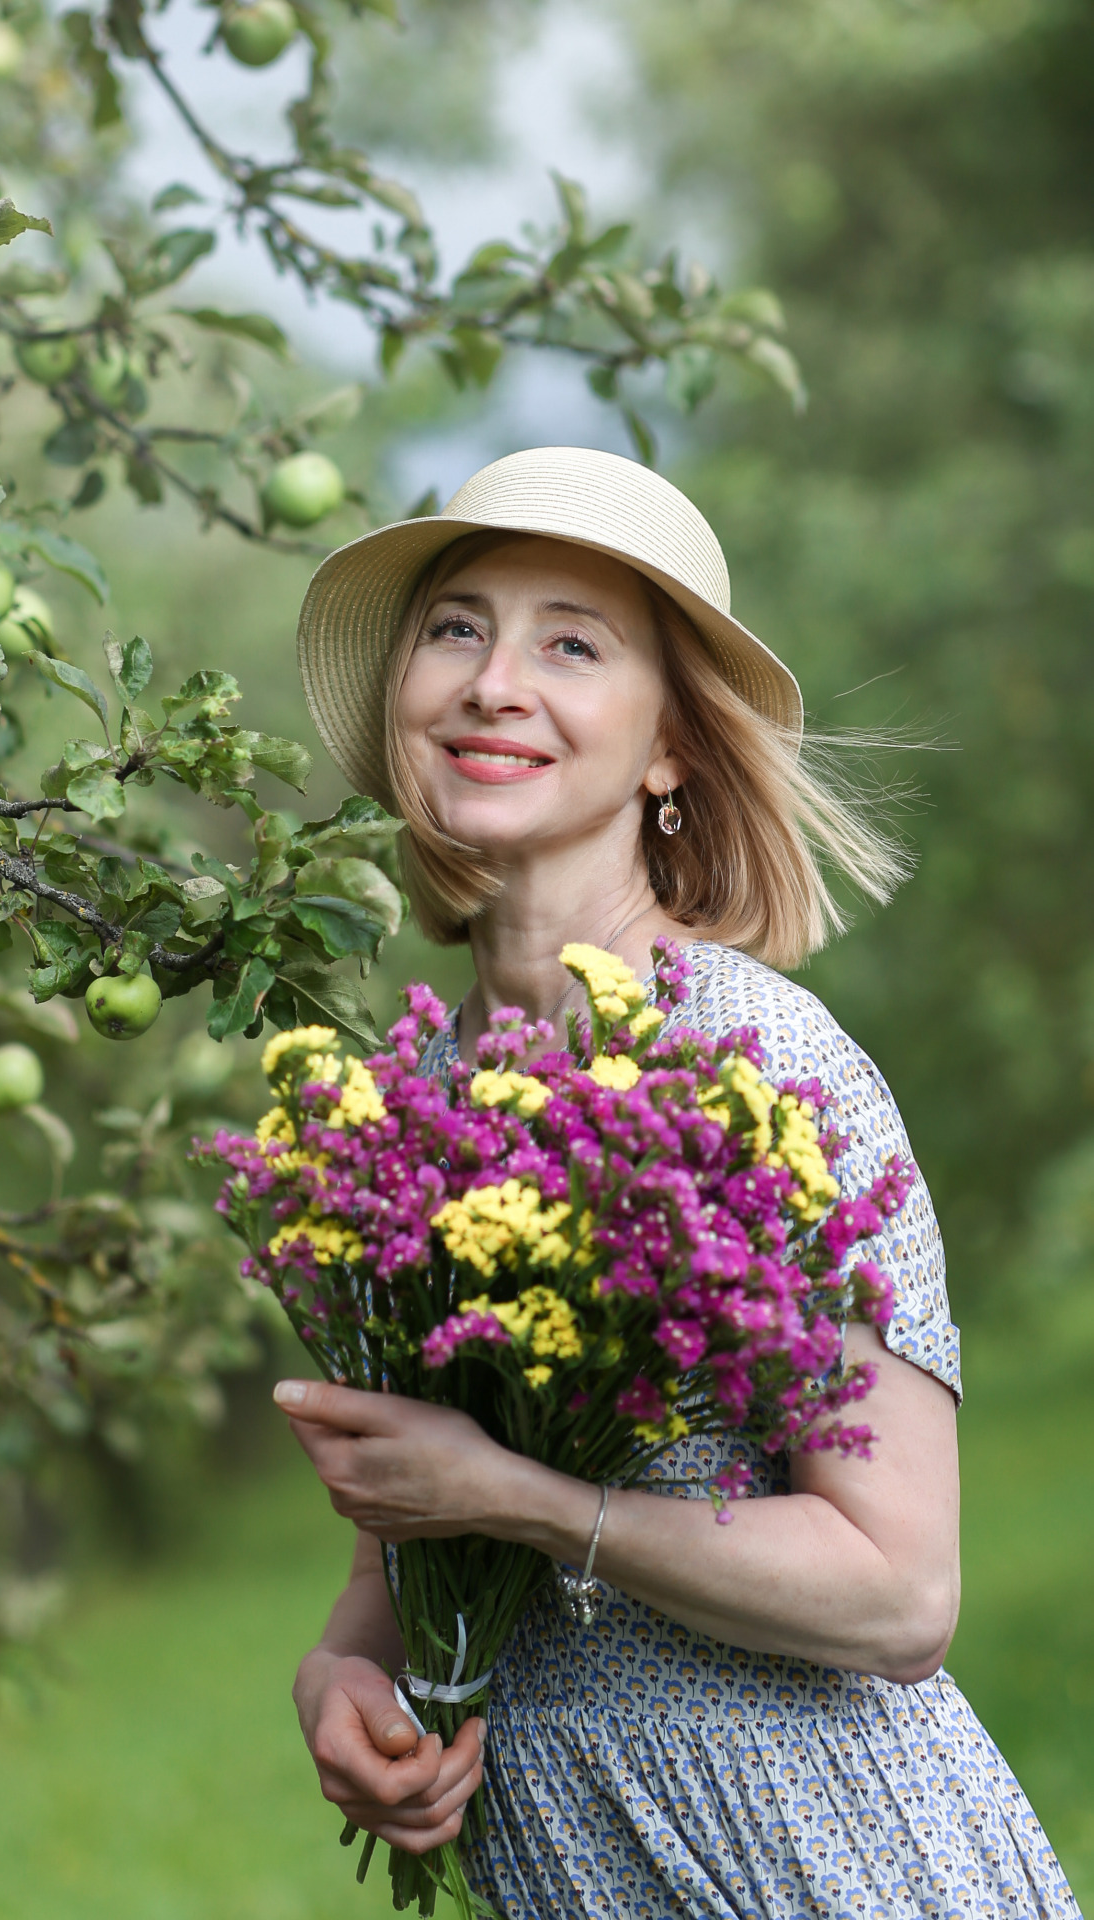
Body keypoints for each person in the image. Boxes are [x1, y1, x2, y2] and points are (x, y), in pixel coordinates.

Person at [276, 447, 1078, 1917]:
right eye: (458, 626)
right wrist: (342, 1683)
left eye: (570, 643)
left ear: (670, 750)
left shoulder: (757, 1072)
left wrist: (530, 1501)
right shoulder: (418, 1109)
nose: (494, 681)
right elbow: (407, 1553)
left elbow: (901, 1592)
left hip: (809, 1858)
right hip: (570, 1863)